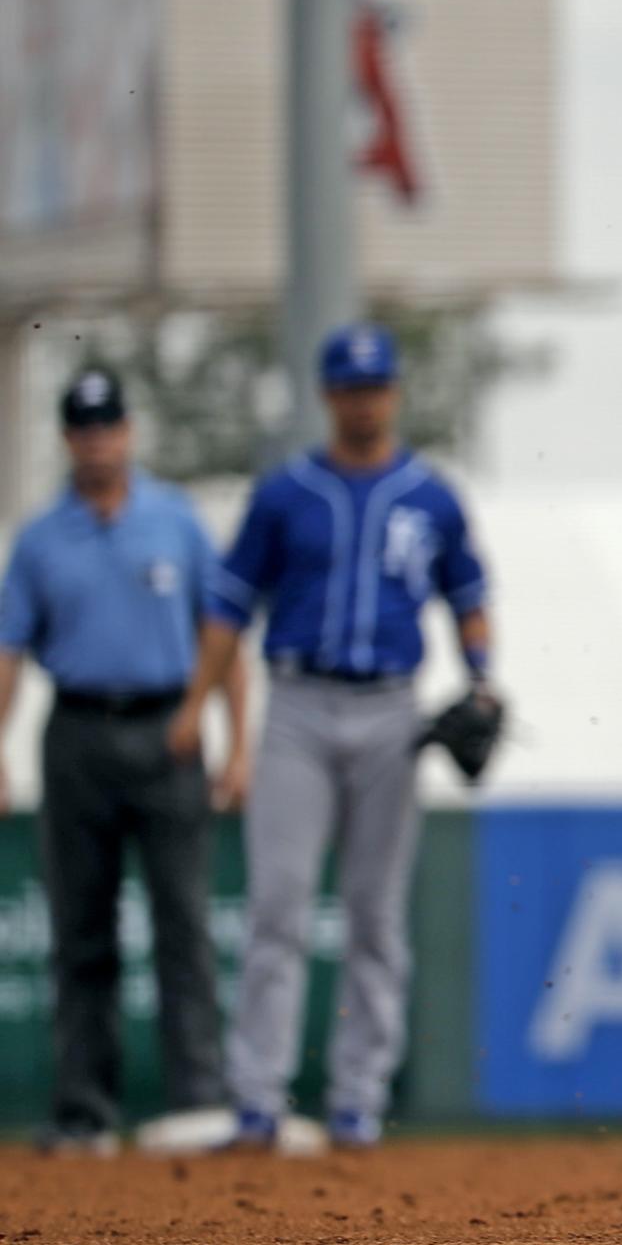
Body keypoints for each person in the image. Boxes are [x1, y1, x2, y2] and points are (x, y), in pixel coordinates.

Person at [168, 322, 492, 1149]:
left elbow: (468, 593)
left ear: (393, 393)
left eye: (374, 386)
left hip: (391, 709)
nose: (363, 401)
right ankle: (258, 1101)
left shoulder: (431, 494)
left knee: (376, 915)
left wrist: (481, 677)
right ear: (327, 396)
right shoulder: (285, 493)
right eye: (349, 388)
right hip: (300, 705)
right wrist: (197, 704)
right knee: (277, 904)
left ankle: (357, 1100)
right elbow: (229, 608)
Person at [0, 368, 249, 1153]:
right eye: (85, 428)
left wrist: (235, 740)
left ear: (129, 431)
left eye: (110, 426)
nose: (99, 440)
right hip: (77, 732)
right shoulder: (40, 538)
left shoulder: (174, 520)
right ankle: (85, 1113)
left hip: (168, 730)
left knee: (183, 924)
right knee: (82, 933)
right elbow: (8, 650)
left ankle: (200, 1104)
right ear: (69, 438)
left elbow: (223, 634)